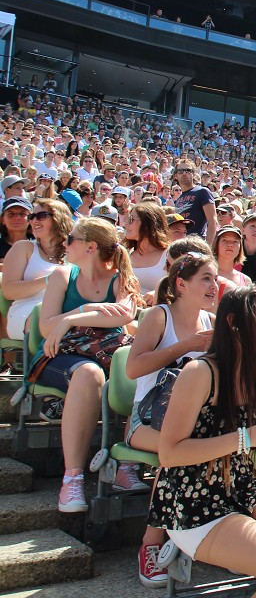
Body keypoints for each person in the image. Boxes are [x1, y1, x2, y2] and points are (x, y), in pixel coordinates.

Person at [147, 286, 256, 596]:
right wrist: (244, 438)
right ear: (232, 322)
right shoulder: (200, 372)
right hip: (194, 500)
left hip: (245, 488)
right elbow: (169, 454)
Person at [27, 218, 139, 512]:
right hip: (59, 354)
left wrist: (73, 317)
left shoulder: (121, 278)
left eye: (71, 239)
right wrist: (80, 315)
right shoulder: (63, 274)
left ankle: (127, 464)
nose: (65, 244)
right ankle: (72, 478)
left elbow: (123, 315)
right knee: (88, 374)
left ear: (90, 247)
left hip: (106, 353)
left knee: (144, 368)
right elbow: (46, 325)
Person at [125, 252, 216, 586]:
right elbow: (133, 369)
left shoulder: (212, 322)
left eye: (215, 277)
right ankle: (151, 545)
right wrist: (187, 346)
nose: (214, 284)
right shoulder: (157, 316)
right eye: (205, 278)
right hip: (146, 423)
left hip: (194, 422)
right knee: (179, 452)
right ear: (181, 284)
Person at [3, 198, 71, 340]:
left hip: (66, 311)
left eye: (41, 216)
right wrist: (49, 280)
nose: (34, 221)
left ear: (58, 218)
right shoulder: (23, 248)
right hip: (29, 311)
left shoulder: (75, 251)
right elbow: (9, 292)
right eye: (32, 217)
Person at [125, 201, 170, 301]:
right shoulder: (125, 253)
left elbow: (185, 286)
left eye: (131, 219)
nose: (125, 224)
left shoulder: (169, 255)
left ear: (148, 223)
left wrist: (160, 292)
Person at [172, 160, 217, 239]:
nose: (184, 173)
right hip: (182, 244)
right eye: (180, 171)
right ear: (176, 175)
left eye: (188, 170)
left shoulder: (202, 192)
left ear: (194, 174)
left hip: (198, 243)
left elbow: (212, 220)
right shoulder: (178, 199)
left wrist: (209, 246)